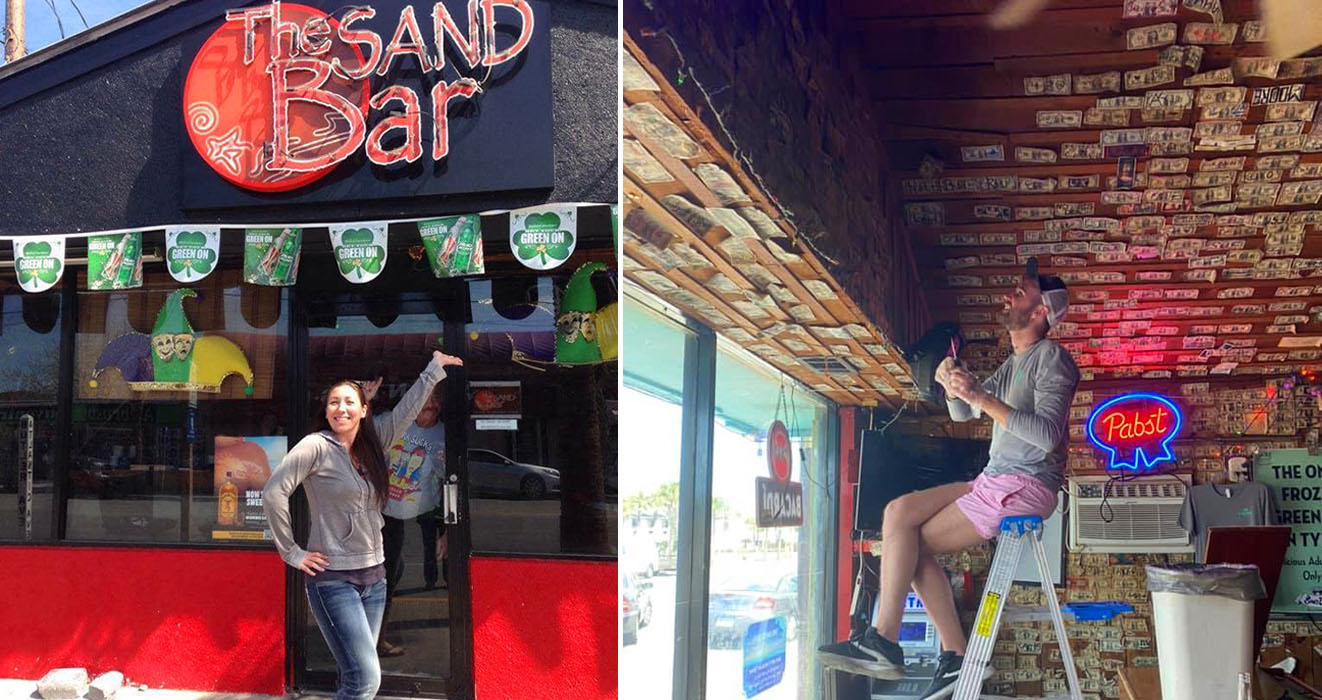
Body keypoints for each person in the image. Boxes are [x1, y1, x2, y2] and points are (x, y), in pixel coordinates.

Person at [818, 257, 1078, 700]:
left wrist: (980, 396)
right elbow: (964, 412)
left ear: (1040, 312)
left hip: (1025, 483)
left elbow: (1046, 436)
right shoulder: (1014, 363)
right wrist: (951, 384)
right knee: (898, 514)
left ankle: (893, 642)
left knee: (909, 545)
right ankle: (937, 653)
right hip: (995, 477)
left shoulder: (1052, 359)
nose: (1009, 294)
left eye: (1021, 292)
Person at [263, 350, 463, 700]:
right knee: (365, 681)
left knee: (353, 675)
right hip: (333, 580)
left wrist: (433, 369)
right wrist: (292, 552)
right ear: (326, 410)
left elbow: (407, 411)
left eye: (349, 402)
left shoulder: (375, 442)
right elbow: (273, 492)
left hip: (375, 579)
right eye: (334, 402)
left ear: (364, 409)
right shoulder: (315, 446)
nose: (341, 408)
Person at [376, 382, 448, 657]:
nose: (430, 404)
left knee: (413, 574)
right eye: (425, 398)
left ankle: (379, 639)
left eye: (435, 399)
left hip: (424, 518)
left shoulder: (445, 434)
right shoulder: (393, 423)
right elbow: (358, 431)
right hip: (385, 515)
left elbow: (452, 482)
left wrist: (447, 530)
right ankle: (376, 640)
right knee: (386, 578)